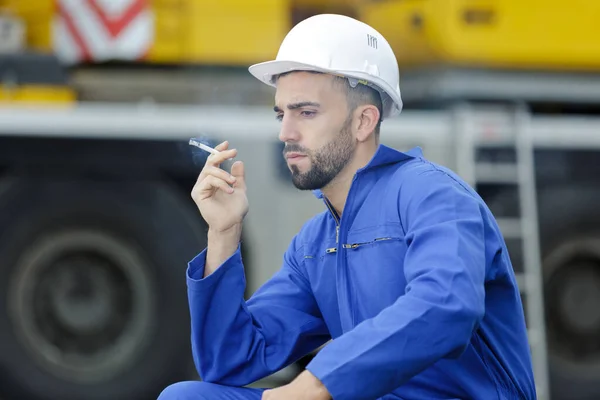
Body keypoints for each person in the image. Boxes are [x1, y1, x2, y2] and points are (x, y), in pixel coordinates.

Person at [159, 13, 537, 400]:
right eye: (281, 113)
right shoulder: (315, 244)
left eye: (305, 112)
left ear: (363, 121)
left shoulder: (434, 196)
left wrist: (317, 383)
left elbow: (447, 304)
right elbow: (231, 362)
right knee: (186, 397)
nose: (285, 132)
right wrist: (223, 234)